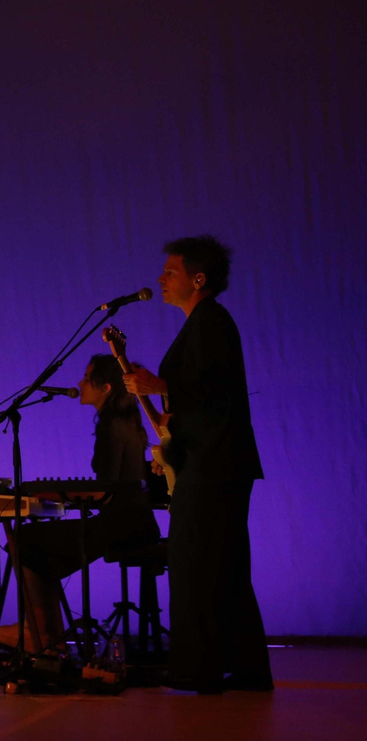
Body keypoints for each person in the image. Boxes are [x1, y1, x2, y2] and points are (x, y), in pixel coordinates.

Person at [122, 236, 271, 693]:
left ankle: (199, 670)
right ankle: (242, 669)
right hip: (213, 461)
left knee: (197, 562)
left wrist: (156, 383)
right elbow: (208, 395)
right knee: (220, 564)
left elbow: (210, 387)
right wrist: (170, 418)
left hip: (213, 466)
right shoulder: (204, 323)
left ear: (198, 279)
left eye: (171, 272)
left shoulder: (211, 321)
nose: (162, 280)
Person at [0, 354, 160, 652]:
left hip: (120, 524)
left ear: (105, 388)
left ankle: (37, 630)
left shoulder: (112, 424)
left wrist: (60, 494)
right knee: (37, 544)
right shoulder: (127, 421)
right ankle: (48, 635)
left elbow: (107, 487)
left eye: (86, 378)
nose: (79, 384)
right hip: (134, 521)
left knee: (25, 539)